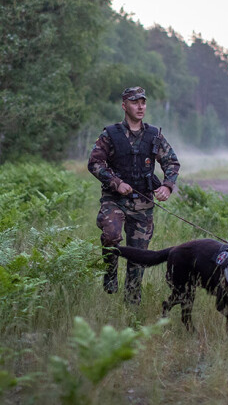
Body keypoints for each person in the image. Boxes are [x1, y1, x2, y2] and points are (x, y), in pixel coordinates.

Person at [87, 86, 180, 305]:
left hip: (143, 204)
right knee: (110, 235)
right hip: (115, 200)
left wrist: (167, 186)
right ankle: (110, 272)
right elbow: (94, 163)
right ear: (124, 106)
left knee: (139, 256)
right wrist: (116, 182)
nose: (140, 106)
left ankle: (132, 304)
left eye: (143, 102)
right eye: (135, 102)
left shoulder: (154, 135)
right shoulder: (110, 134)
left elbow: (171, 162)